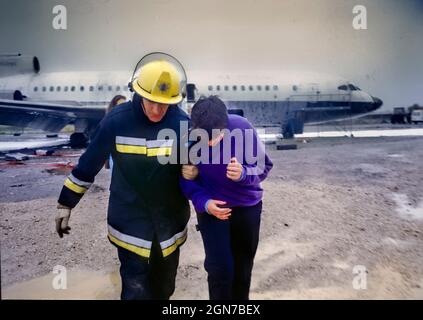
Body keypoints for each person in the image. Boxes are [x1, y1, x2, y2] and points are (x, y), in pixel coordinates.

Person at [55, 56, 190, 300]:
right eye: (152, 102)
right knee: (135, 291)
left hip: (169, 224)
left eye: (165, 104)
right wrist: (66, 203)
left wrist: (195, 173)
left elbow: (198, 173)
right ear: (138, 93)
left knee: (164, 288)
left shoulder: (183, 124)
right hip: (130, 222)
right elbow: (89, 164)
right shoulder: (117, 121)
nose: (158, 110)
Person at [180, 96, 273, 300]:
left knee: (243, 269)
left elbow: (264, 167)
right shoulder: (188, 139)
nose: (212, 141)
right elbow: (185, 180)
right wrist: (204, 202)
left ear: (225, 123)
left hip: (247, 209)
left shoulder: (242, 128)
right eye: (206, 137)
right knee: (219, 270)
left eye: (217, 135)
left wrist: (243, 174)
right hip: (212, 212)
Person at [104, 95, 126, 170]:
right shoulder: (110, 121)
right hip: (114, 153)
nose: (123, 107)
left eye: (124, 104)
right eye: (120, 105)